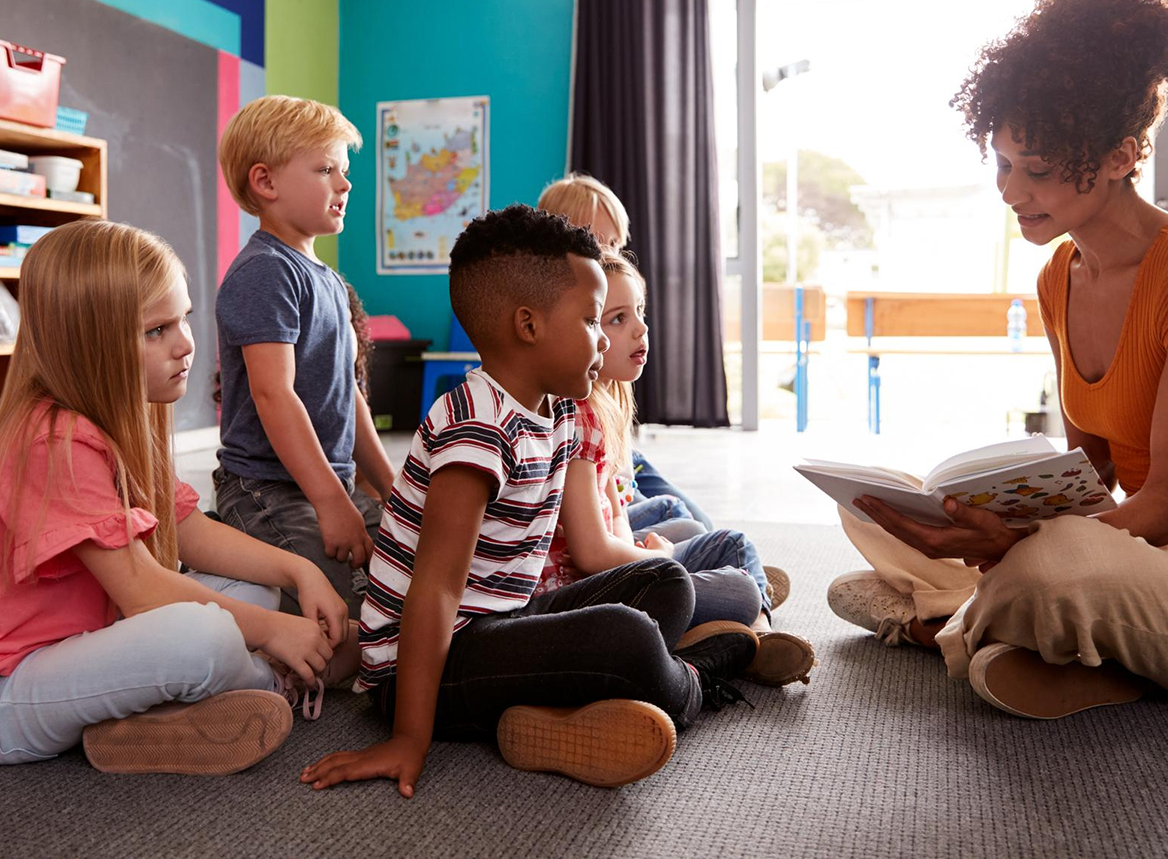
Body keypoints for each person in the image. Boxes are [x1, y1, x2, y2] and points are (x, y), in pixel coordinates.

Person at [828, 0, 1168, 719]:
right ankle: (1034, 632)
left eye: (1037, 170)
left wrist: (1019, 544)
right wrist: (989, 522)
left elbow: (1163, 506)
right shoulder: (1058, 274)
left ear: (1124, 157)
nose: (1009, 189)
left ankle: (953, 623)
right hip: (1130, 555)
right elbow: (1087, 474)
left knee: (1056, 563)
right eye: (1001, 162)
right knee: (868, 507)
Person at [300, 205, 759, 794]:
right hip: (426, 672)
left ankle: (559, 718)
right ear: (529, 326)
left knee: (666, 582)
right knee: (630, 638)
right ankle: (697, 677)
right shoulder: (477, 429)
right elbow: (435, 589)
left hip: (503, 626)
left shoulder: (560, 410)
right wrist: (408, 738)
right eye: (593, 320)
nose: (603, 339)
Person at [0, 221, 350, 774]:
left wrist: (298, 572)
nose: (186, 344)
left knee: (251, 586)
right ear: (88, 343)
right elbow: (140, 590)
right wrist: (275, 632)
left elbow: (189, 529)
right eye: (156, 329)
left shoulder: (121, 423)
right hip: (17, 689)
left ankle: (149, 720)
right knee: (203, 633)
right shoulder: (53, 441)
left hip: (96, 643)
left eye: (183, 319)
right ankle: (276, 677)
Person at [542, 251, 814, 688]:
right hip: (588, 591)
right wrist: (658, 558)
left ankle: (744, 623)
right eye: (616, 319)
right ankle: (755, 632)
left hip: (606, 572)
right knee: (736, 574)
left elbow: (611, 516)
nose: (640, 328)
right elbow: (594, 555)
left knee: (690, 529)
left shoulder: (602, 407)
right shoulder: (579, 415)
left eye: (640, 312)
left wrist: (642, 547)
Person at [212, 95, 394, 621]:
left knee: (414, 571)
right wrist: (331, 503)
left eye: (345, 170)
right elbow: (274, 394)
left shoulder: (330, 281)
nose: (345, 183)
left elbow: (348, 396)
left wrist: (395, 492)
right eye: (325, 169)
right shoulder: (266, 272)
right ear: (265, 183)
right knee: (348, 612)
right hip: (267, 489)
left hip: (326, 484)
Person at [538, 173, 714, 530]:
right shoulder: (563, 350)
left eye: (614, 244)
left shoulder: (613, 343)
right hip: (593, 483)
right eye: (594, 242)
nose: (607, 256)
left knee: (699, 521)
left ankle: (720, 568)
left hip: (621, 466)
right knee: (682, 521)